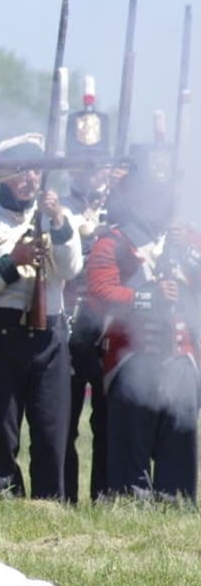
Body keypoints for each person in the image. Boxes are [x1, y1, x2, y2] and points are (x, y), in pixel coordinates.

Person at [0, 133, 82, 500]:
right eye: (19, 170)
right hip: (0, 333)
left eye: (34, 170)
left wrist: (59, 222)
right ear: (3, 175)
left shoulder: (60, 220)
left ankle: (51, 500)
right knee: (1, 431)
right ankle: (3, 497)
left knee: (51, 431)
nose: (28, 178)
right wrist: (12, 264)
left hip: (49, 332)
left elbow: (70, 269)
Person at [86, 146, 201, 502]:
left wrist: (191, 256)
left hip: (180, 358)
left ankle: (176, 503)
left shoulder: (190, 240)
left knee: (179, 451)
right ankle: (131, 504)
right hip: (131, 358)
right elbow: (100, 292)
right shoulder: (114, 241)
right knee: (129, 454)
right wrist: (147, 298)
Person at [61, 76, 113, 503]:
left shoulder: (122, 209)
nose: (89, 170)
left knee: (109, 421)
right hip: (68, 320)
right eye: (82, 161)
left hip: (109, 324)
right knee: (63, 420)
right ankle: (61, 497)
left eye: (95, 161)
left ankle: (105, 495)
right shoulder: (58, 208)